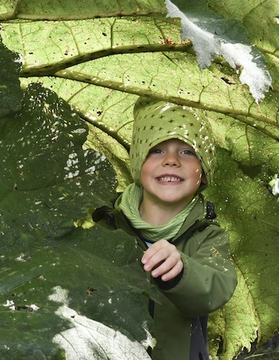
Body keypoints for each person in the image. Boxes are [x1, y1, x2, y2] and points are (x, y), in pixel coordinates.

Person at [93, 98, 237, 360]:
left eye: (187, 152)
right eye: (156, 150)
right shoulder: (104, 226)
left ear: (202, 174)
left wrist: (181, 270)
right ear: (138, 165)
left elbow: (215, 289)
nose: (171, 160)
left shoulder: (209, 236)